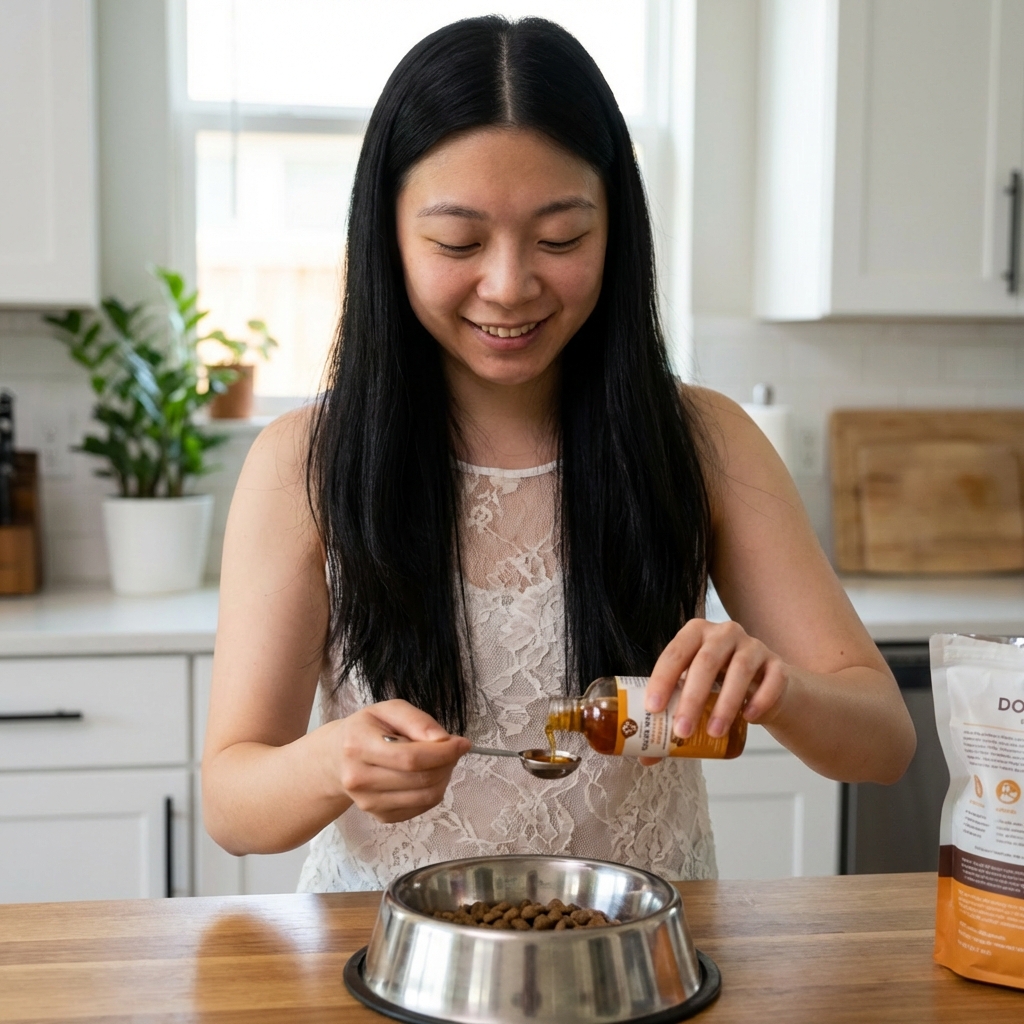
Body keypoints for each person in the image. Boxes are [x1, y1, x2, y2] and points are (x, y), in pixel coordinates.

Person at [202, 16, 916, 891]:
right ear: (387, 236)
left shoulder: (704, 443)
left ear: (616, 233)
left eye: (560, 239)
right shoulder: (303, 462)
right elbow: (232, 802)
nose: (509, 285)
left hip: (640, 966)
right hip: (388, 964)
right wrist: (328, 765)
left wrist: (783, 691)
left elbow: (884, 742)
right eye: (458, 243)